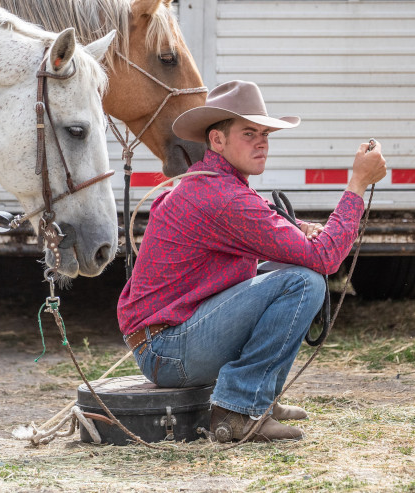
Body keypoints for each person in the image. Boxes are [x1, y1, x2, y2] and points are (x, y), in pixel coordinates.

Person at [117, 80, 387, 442]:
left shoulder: (218, 183)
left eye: (265, 133)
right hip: (166, 351)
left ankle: (259, 397)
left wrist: (300, 230)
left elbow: (274, 235)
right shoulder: (224, 196)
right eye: (249, 133)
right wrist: (357, 183)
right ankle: (238, 409)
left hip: (164, 342)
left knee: (291, 273)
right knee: (304, 281)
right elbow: (325, 258)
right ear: (217, 140)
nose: (261, 142)